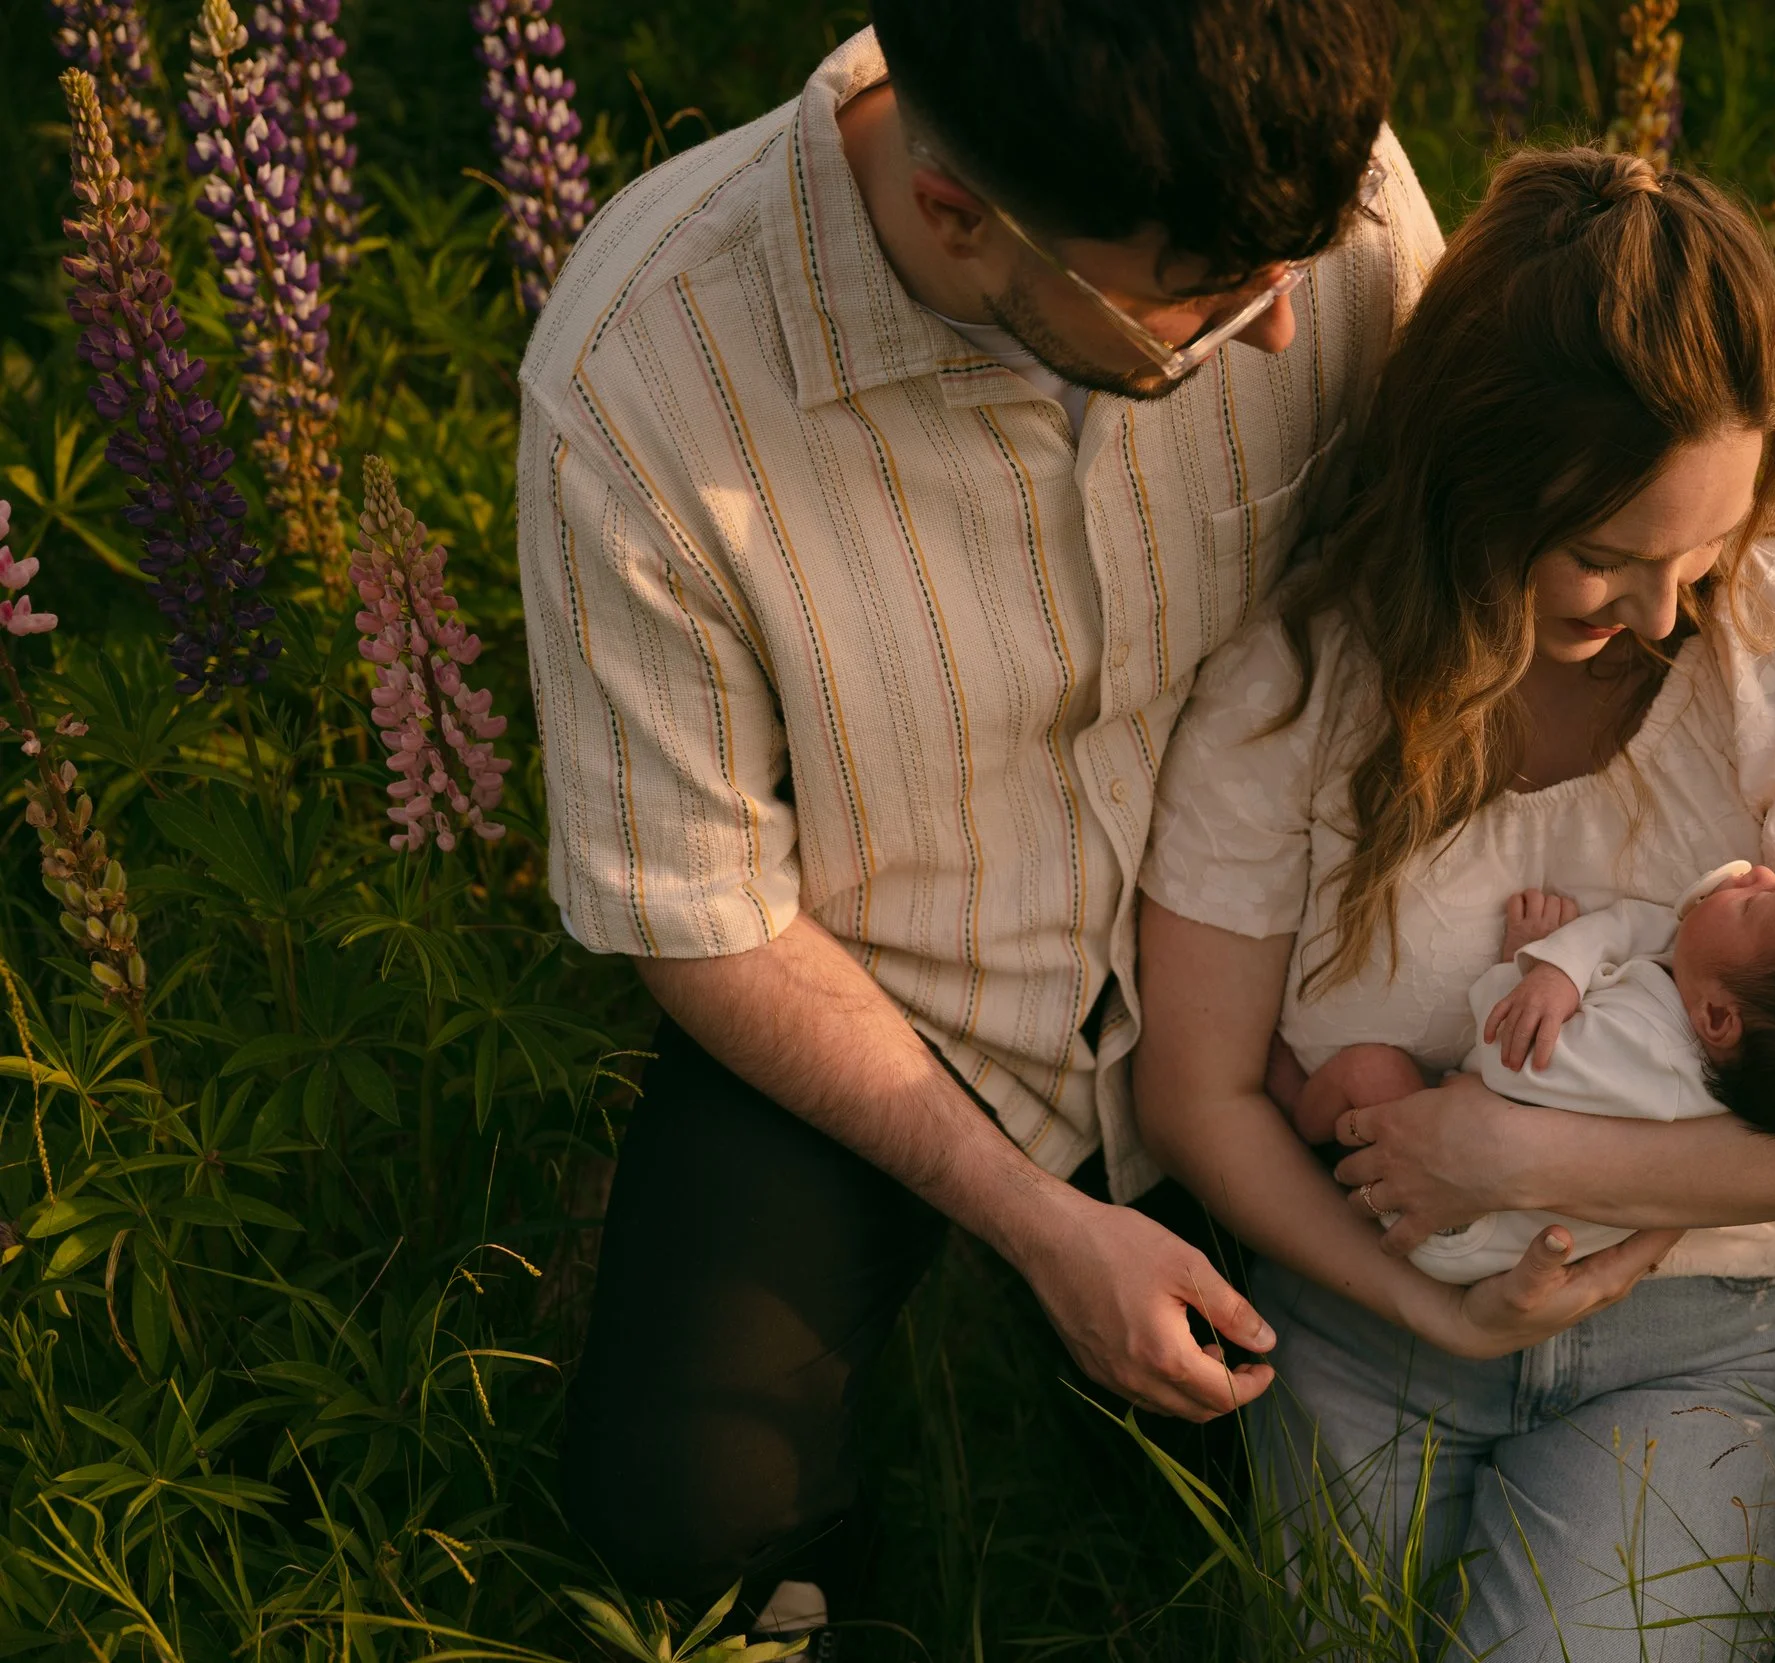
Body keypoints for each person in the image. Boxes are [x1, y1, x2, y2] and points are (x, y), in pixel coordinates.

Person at [509, 0, 1456, 1638]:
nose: (1290, 334)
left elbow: (1450, 564)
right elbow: (703, 912)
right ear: (959, 213)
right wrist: (1040, 1226)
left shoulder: (1292, 189)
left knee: (1339, 1542)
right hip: (890, 1000)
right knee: (684, 1514)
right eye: (1205, 316)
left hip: (1248, 971)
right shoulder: (644, 373)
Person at [1132, 148, 1775, 1660]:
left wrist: (1516, 1145)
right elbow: (1197, 1089)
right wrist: (1442, 1312)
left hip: (1709, 1334)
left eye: (1701, 549)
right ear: (1470, 489)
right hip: (1367, 1312)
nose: (1666, 612)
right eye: (1603, 556)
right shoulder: (1297, 687)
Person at [1294, 861, 1775, 1283]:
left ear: (1720, 1019)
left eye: (1757, 903)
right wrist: (1567, 965)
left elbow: (1505, 1058)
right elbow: (1647, 928)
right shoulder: (1713, 1031)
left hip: (1465, 1232)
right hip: (1508, 1200)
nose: (1759, 871)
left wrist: (1523, 963)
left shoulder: (1646, 1059)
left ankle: (1291, 1107)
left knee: (1367, 1071)